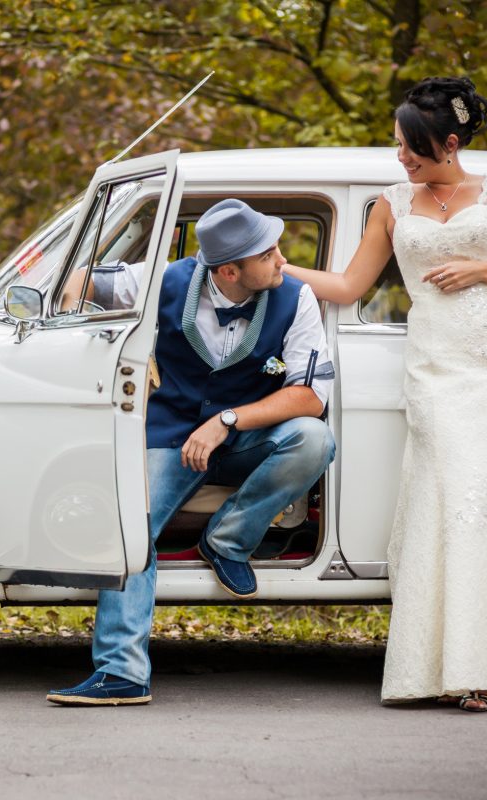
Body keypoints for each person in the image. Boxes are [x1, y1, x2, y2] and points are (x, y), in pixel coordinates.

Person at [283, 77, 487, 711]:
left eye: (409, 147)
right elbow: (349, 286)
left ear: (448, 144)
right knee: (455, 498)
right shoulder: (391, 204)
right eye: (398, 145)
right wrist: (276, 266)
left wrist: (485, 269)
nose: (399, 157)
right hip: (436, 366)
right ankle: (456, 660)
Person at [47, 199, 336, 706]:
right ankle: (122, 673)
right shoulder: (163, 279)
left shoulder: (297, 297)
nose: (281, 259)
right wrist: (78, 334)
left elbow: (310, 397)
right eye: (268, 253)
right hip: (170, 438)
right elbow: (82, 278)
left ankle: (227, 541)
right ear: (230, 270)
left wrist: (226, 421)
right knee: (132, 529)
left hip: (242, 436)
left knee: (315, 440)